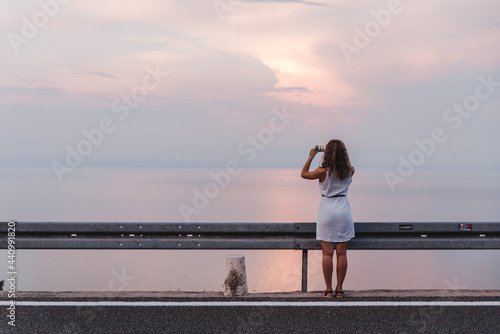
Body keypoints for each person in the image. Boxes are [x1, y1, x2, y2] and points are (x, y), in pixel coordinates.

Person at [300, 139, 355, 298]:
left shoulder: (323, 171)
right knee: (342, 254)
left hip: (327, 211)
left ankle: (328, 289)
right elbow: (343, 170)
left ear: (327, 152)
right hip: (343, 211)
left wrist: (311, 156)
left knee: (327, 254)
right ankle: (339, 289)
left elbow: (303, 174)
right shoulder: (350, 171)